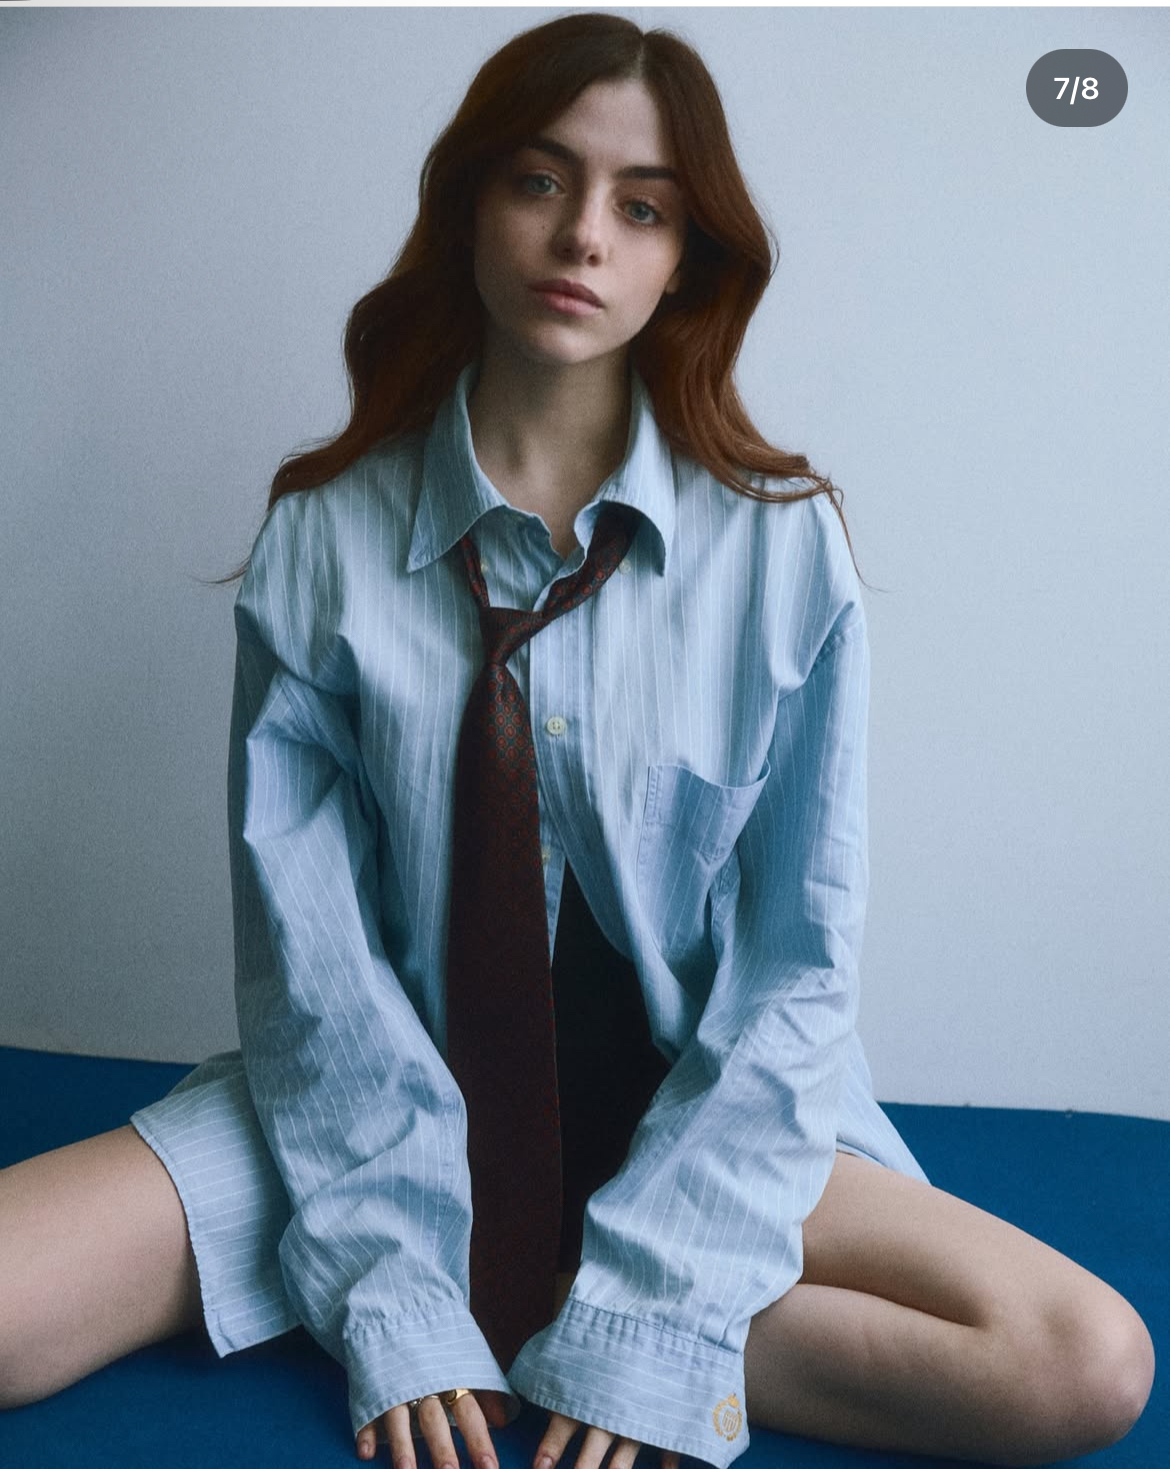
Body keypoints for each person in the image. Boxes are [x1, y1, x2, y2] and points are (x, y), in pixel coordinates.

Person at [0, 9, 1154, 1471]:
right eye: (540, 180)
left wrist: (652, 1330)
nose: (584, 236)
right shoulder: (320, 541)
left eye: (643, 206)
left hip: (693, 1117)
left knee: (1080, 1364)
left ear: (686, 260)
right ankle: (442, 1291)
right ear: (469, 203)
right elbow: (312, 972)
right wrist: (390, 1286)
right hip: (379, 1112)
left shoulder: (784, 551)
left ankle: (577, 1309)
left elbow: (793, 969)